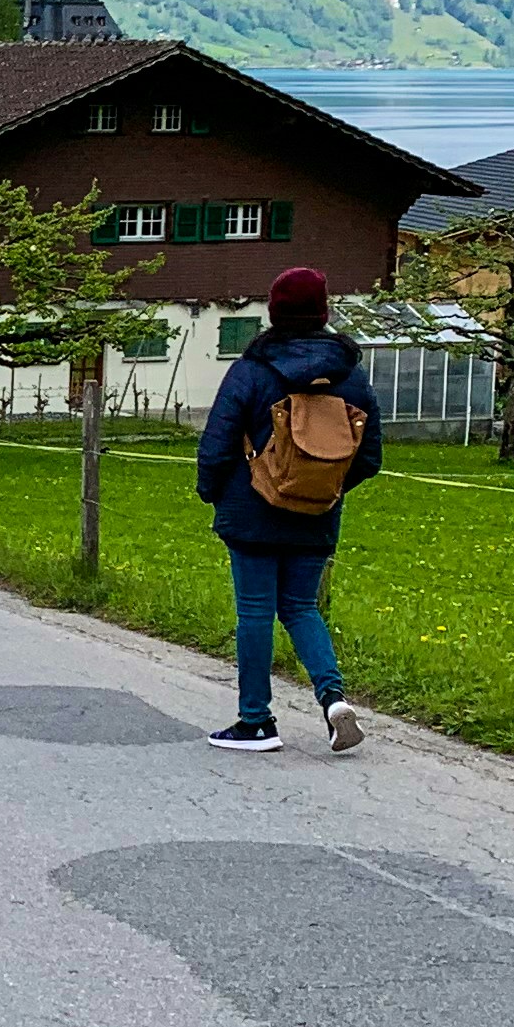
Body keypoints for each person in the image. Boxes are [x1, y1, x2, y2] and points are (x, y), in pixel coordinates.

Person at [193, 264, 381, 752]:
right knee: (301, 607)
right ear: (324, 311)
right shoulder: (351, 376)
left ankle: (256, 721)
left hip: (250, 511)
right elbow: (370, 457)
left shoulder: (252, 368)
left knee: (255, 612)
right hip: (317, 515)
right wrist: (322, 489)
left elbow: (216, 444)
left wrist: (214, 491)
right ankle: (334, 699)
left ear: (274, 310)